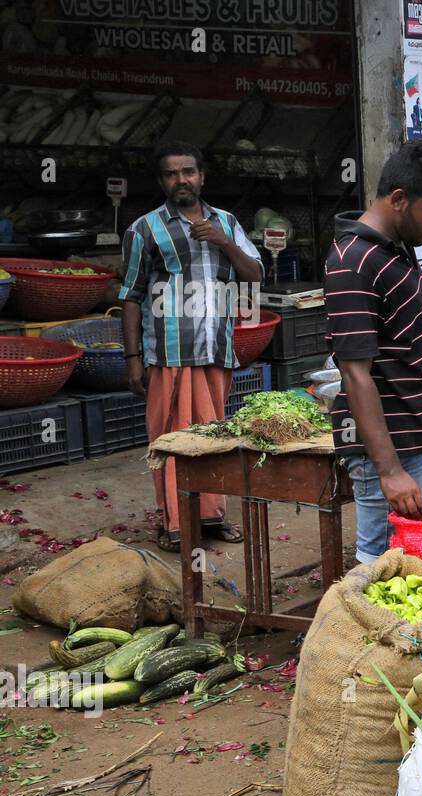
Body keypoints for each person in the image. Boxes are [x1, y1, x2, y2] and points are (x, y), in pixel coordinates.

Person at [326, 139, 422, 565]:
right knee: (382, 560)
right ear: (399, 199)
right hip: (394, 444)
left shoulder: (394, 245)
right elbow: (355, 374)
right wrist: (389, 471)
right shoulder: (353, 262)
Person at [120, 141, 264, 553]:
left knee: (214, 437)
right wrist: (133, 359)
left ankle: (213, 515)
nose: (181, 180)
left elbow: (254, 277)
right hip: (168, 355)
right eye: (171, 173)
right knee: (170, 439)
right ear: (162, 181)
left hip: (215, 351)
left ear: (202, 176)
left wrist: (224, 242)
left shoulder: (227, 222)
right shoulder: (145, 229)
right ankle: (174, 521)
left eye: (189, 172)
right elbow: (131, 295)